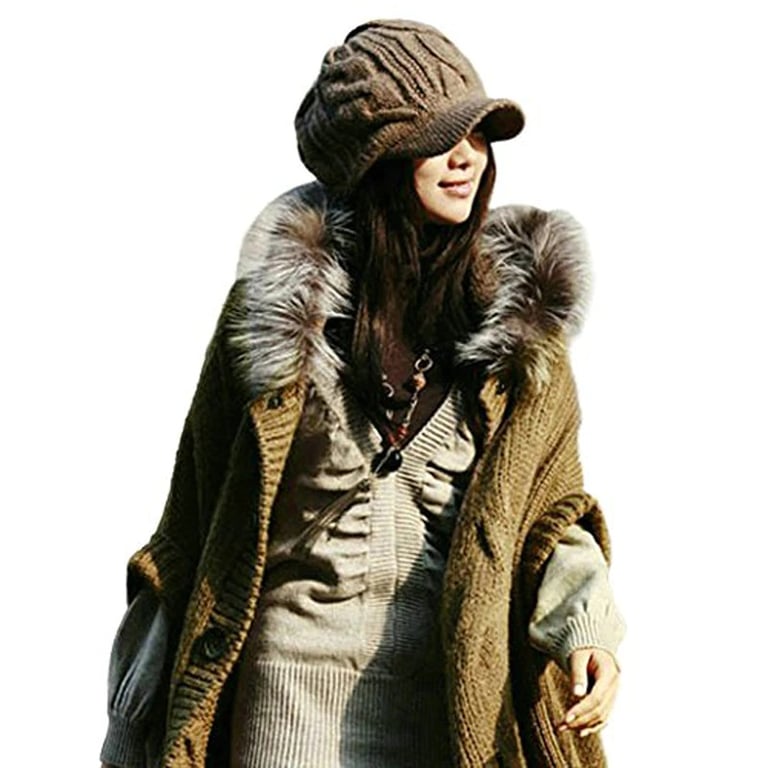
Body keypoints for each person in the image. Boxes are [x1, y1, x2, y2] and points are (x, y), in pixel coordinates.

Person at [100, 19, 625, 768]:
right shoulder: (272, 326)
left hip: (455, 703)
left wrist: (586, 630)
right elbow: (193, 524)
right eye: (439, 137)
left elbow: (551, 514)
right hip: (286, 701)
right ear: (374, 158)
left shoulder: (520, 337)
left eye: (478, 134)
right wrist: (131, 725)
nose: (467, 156)